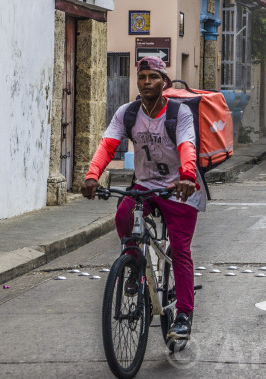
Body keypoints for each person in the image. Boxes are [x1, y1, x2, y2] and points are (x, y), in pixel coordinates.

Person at [81, 56, 202, 343]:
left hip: (179, 187)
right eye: (143, 77)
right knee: (123, 216)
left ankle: (183, 316)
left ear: (164, 82)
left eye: (153, 77)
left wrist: (186, 175)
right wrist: (92, 175)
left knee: (181, 249)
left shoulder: (179, 113)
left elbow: (187, 146)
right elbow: (107, 146)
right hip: (145, 185)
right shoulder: (128, 113)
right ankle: (134, 264)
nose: (147, 82)